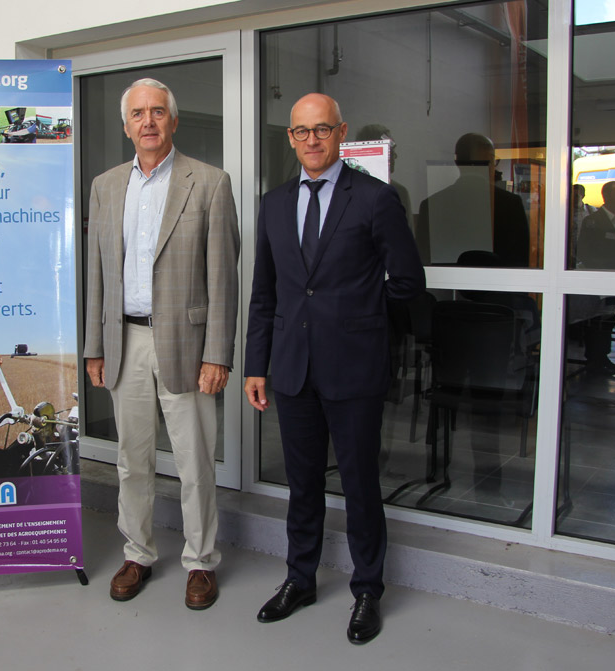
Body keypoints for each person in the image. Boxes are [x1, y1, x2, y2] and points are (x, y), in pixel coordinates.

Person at [244, 93, 424, 644]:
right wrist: (256, 365)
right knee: (302, 483)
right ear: (290, 138)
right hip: (292, 369)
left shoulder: (375, 198)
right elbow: (265, 292)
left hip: (354, 368)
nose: (312, 140)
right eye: (301, 131)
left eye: (322, 129)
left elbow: (407, 282)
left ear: (341, 133)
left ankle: (367, 588)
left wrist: (361, 319)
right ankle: (300, 579)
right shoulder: (274, 203)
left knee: (360, 482)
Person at [83, 78, 240, 610]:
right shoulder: (105, 186)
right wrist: (94, 347)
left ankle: (201, 562)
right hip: (123, 340)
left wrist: (217, 353)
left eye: (157, 112)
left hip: (188, 346)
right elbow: (97, 274)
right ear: (126, 125)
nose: (147, 121)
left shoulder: (210, 182)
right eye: (137, 114)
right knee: (132, 460)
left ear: (173, 120)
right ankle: (138, 553)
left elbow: (223, 279)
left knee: (195, 462)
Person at [416, 133, 530, 267]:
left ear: (457, 162)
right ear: (490, 162)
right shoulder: (511, 203)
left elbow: (422, 259)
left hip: (446, 279)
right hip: (498, 279)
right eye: (493, 159)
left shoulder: (431, 205)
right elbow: (520, 258)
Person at [577, 180, 615, 375]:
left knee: (610, 318)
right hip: (600, 278)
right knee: (598, 320)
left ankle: (603, 356)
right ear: (606, 196)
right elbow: (584, 251)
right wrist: (601, 269)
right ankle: (595, 358)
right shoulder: (593, 221)